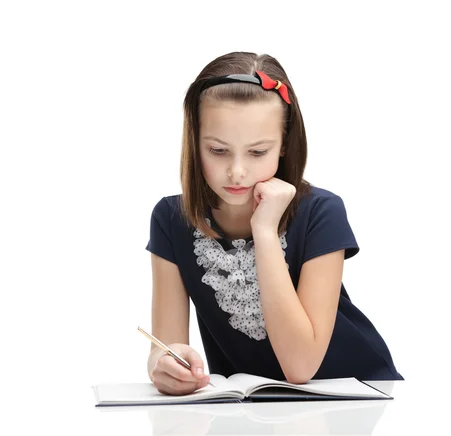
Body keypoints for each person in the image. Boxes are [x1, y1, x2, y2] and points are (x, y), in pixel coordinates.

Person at [145, 51, 403, 396]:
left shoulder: (322, 212)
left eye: (257, 152)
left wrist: (265, 230)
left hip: (359, 394)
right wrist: (165, 366)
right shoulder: (170, 219)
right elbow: (164, 348)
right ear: (195, 142)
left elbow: (299, 367)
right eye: (218, 151)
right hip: (255, 410)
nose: (237, 172)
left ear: (283, 146)